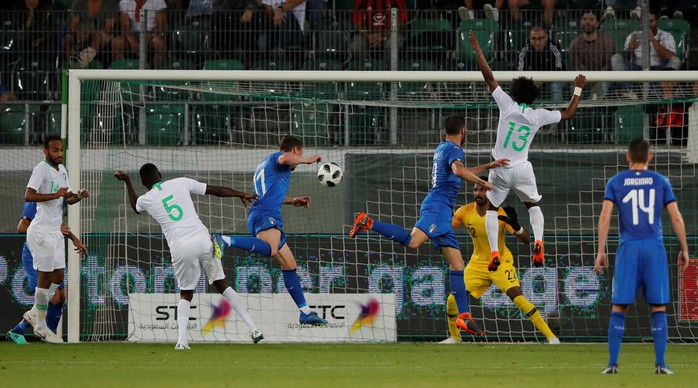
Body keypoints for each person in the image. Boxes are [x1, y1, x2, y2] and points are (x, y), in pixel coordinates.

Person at [347, 116, 509, 336]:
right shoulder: (455, 150)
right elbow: (459, 171)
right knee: (413, 242)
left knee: (458, 265)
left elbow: (461, 170)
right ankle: (369, 222)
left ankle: (463, 317)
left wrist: (489, 165)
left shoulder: (443, 147)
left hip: (441, 209)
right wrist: (483, 182)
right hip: (438, 208)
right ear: (464, 130)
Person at [469, 30, 586, 272]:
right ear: (533, 97)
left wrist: (478, 51)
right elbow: (568, 113)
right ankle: (539, 243)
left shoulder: (506, 105)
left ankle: (493, 253)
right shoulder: (538, 114)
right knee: (533, 206)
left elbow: (489, 77)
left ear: (514, 92)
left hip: (499, 166)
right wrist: (577, 89)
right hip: (522, 168)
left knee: (491, 208)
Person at [114, 164, 263, 349]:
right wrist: (241, 193)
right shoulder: (181, 182)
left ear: (144, 183)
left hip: (180, 246)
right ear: (160, 174)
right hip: (202, 240)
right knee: (222, 283)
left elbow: (135, 207)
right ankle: (253, 328)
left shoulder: (146, 199)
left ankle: (182, 340)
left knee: (186, 293)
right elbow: (216, 191)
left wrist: (128, 182)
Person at [212, 135, 329, 326]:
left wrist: (293, 201)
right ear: (295, 150)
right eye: (301, 154)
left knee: (289, 264)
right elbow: (285, 158)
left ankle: (305, 312)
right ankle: (225, 240)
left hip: (262, 212)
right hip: (266, 214)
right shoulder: (278, 158)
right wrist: (307, 160)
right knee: (272, 249)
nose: (300, 159)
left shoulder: (266, 166)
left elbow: (271, 193)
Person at [595, 139, 689, 375]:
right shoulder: (660, 181)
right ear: (650, 157)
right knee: (658, 306)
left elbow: (605, 216)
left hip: (628, 248)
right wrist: (684, 248)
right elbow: (676, 217)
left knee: (619, 305)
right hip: (653, 247)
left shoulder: (616, 182)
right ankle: (661, 364)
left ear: (628, 157)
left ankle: (612, 364)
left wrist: (601, 250)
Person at [441, 178, 559, 344]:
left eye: (482, 190)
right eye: (475, 190)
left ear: (490, 192)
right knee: (453, 299)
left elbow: (526, 239)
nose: (478, 193)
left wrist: (516, 226)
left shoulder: (500, 213)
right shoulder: (464, 212)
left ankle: (551, 337)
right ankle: (454, 338)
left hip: (500, 263)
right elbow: (444, 228)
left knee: (518, 298)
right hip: (477, 264)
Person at [24, 134, 90, 343]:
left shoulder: (61, 170)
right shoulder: (41, 169)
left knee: (59, 277)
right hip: (41, 232)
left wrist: (78, 195)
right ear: (45, 151)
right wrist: (54, 194)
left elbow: (67, 198)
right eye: (55, 150)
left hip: (55, 232)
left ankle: (35, 312)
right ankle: (40, 326)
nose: (59, 154)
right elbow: (29, 195)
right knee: (44, 280)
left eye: (61, 150)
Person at [6, 202, 87, 345]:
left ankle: (22, 329)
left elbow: (58, 226)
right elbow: (21, 227)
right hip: (36, 252)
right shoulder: (35, 201)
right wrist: (53, 229)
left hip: (52, 250)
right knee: (54, 297)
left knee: (61, 297)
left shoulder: (55, 200)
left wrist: (75, 239)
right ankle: (44, 334)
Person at [569, 10, 615, 99]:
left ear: (597, 23)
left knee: (604, 82)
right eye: (584, 19)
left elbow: (608, 65)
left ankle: (599, 110)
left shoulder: (608, 41)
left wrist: (597, 79)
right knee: (573, 86)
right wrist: (589, 79)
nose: (587, 22)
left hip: (602, 78)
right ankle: (579, 112)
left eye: (591, 19)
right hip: (583, 78)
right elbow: (577, 67)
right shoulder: (574, 44)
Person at [63, 0, 119, 68]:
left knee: (98, 37)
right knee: (67, 39)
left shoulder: (110, 3)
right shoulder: (79, 3)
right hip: (81, 31)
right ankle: (71, 61)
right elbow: (72, 26)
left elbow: (108, 28)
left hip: (103, 34)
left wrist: (90, 33)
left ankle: (82, 61)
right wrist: (77, 33)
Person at [112, 0, 168, 67]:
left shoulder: (158, 1)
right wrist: (132, 39)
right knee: (117, 43)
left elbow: (161, 24)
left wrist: (148, 35)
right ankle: (121, 72)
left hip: (152, 33)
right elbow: (124, 26)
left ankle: (158, 72)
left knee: (159, 43)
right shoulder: (124, 2)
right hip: (133, 33)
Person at [516, 26, 564, 102]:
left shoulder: (554, 47)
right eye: (534, 39)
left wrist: (542, 79)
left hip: (551, 80)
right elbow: (520, 71)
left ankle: (557, 112)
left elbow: (558, 69)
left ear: (546, 38)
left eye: (541, 38)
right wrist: (532, 81)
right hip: (531, 81)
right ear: (529, 39)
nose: (537, 42)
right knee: (523, 87)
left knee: (555, 86)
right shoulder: (524, 50)